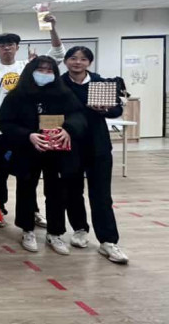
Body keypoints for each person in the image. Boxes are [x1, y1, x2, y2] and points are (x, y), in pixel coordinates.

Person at [0, 15, 64, 227]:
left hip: (28, 132)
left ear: (17, 48)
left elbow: (58, 54)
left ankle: (32, 210)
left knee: (28, 175)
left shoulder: (29, 67)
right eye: (2, 46)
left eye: (11, 45)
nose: (7, 48)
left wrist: (52, 28)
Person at [0, 56, 87, 255]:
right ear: (31, 71)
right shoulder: (17, 95)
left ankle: (55, 232)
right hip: (27, 150)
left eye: (49, 70)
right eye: (41, 70)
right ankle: (27, 230)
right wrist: (27, 135)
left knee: (56, 192)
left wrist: (69, 129)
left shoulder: (64, 93)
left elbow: (78, 116)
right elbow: (5, 122)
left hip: (57, 152)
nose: (45, 74)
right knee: (26, 189)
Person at [61, 46, 128, 263]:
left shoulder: (101, 83)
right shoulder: (59, 84)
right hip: (70, 145)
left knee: (101, 194)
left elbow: (117, 109)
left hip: (98, 145)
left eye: (83, 59)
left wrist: (106, 110)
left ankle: (108, 241)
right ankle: (79, 229)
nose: (77, 62)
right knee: (72, 190)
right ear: (66, 61)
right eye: (73, 58)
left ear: (89, 62)